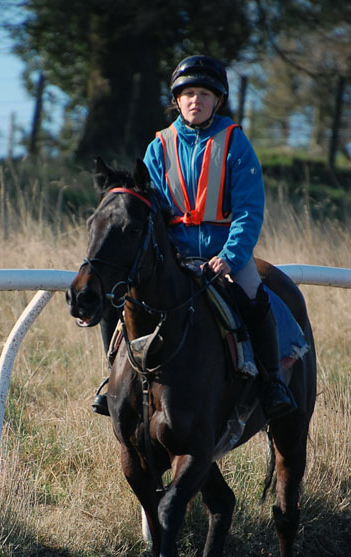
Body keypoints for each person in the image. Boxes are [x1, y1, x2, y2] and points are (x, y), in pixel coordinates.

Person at [91, 54, 297, 420]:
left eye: (204, 93)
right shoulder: (158, 147)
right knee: (119, 299)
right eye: (188, 93)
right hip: (172, 256)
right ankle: (112, 382)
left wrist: (231, 256)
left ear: (218, 100)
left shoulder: (235, 143)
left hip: (224, 254)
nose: (195, 100)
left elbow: (249, 210)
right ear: (177, 100)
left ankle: (272, 383)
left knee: (253, 295)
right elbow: (150, 208)